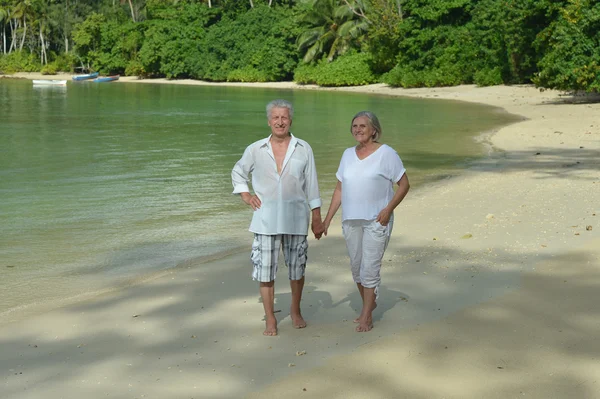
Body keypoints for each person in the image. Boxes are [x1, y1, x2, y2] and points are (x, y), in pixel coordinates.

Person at [232, 99, 324, 336]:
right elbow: (238, 172)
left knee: (297, 269)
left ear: (290, 120)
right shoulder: (256, 149)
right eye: (275, 117)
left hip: (296, 218)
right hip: (265, 220)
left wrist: (316, 217)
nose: (280, 122)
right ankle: (270, 318)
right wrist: (245, 195)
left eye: (284, 117)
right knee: (265, 272)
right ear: (269, 121)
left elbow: (312, 185)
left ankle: (295, 310)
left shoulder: (304, 148)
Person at [323, 111, 410, 332]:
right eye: (354, 126)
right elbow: (340, 189)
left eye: (363, 126)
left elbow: (404, 185)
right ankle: (369, 304)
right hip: (351, 221)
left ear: (374, 130)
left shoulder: (386, 154)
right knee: (356, 269)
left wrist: (388, 209)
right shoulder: (346, 154)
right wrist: (326, 220)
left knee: (369, 268)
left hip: (376, 220)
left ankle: (366, 315)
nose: (358, 129)